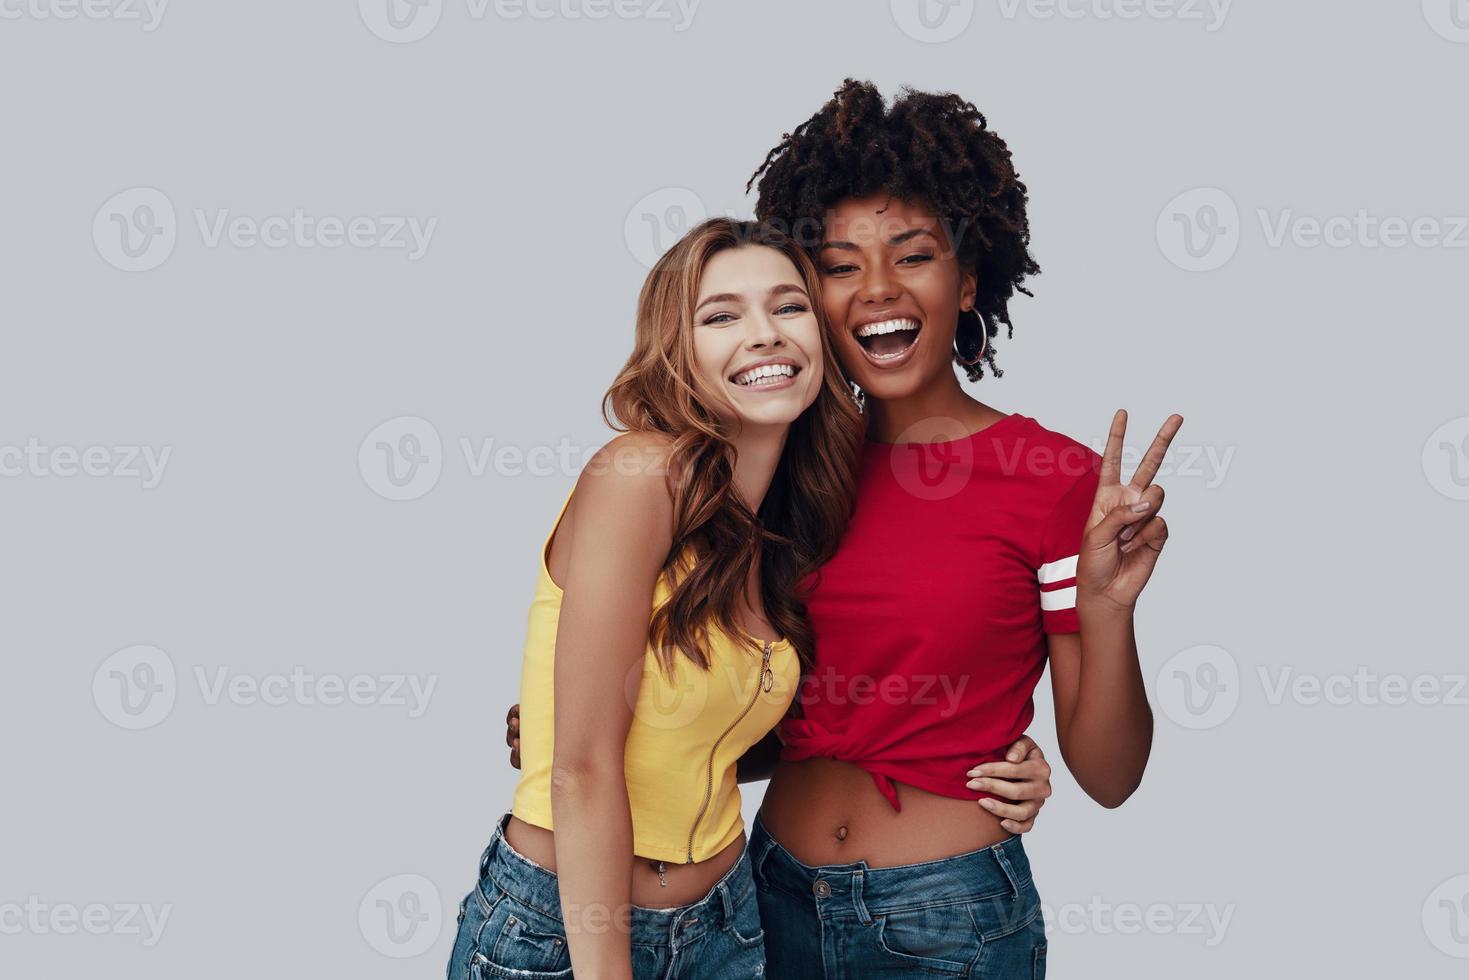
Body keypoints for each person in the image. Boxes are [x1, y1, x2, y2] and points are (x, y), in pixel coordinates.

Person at [507, 80, 1182, 977]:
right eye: (835, 265)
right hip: (757, 904)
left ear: (968, 279)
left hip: (948, 918)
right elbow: (757, 712)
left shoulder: (1050, 479)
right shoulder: (779, 468)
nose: (876, 290)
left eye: (912, 256)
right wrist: (595, 725)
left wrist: (1106, 611)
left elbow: (1109, 777)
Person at [446, 217, 865, 979]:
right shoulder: (639, 475)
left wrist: (991, 757)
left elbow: (722, 745)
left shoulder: (781, 532)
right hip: (566, 934)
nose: (764, 333)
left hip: (727, 929)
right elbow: (580, 770)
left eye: (788, 306)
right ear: (677, 352)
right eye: (721, 315)